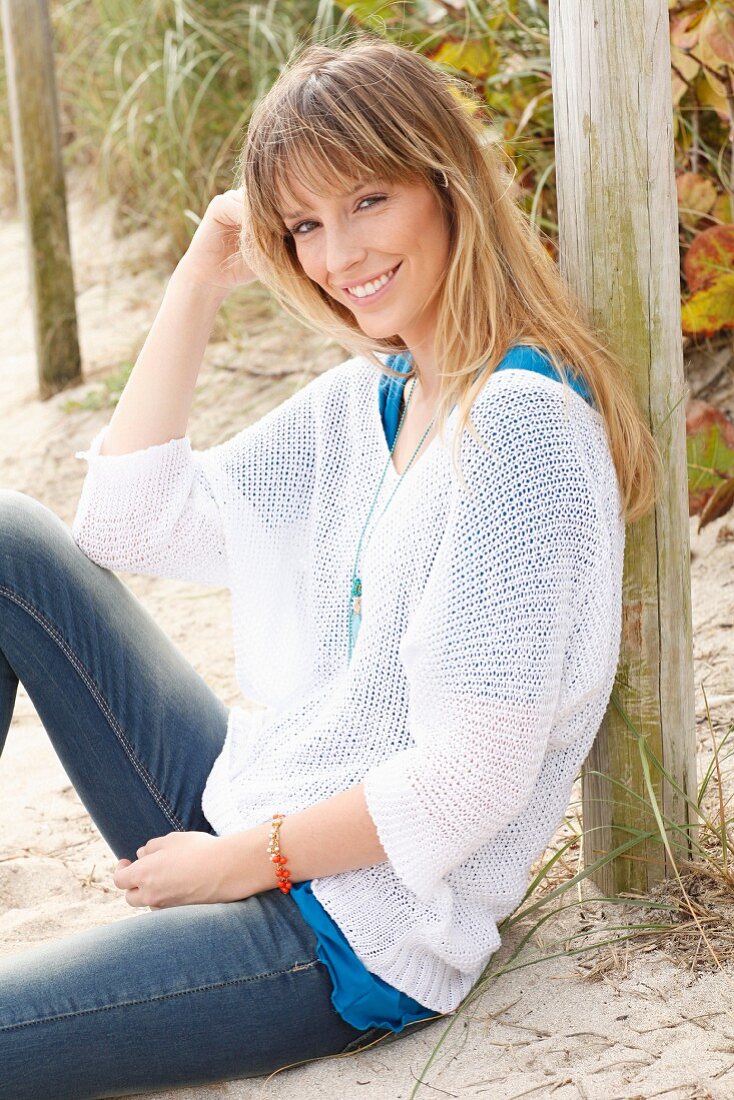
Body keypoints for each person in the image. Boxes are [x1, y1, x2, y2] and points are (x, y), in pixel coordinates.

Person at [0, 36, 660, 1100]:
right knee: (8, 541)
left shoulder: (519, 433)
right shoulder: (375, 397)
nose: (337, 254)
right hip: (262, 813)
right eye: (304, 225)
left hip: (352, 934)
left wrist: (237, 862)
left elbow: (468, 775)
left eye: (366, 201)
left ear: (445, 186)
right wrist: (200, 276)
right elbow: (130, 523)